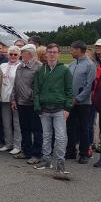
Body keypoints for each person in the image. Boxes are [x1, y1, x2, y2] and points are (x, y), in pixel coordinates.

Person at [32, 44, 73, 177]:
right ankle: (46, 160)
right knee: (46, 135)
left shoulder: (65, 70)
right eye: (49, 52)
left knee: (61, 137)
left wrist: (67, 107)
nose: (52, 54)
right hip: (44, 109)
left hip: (59, 109)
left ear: (59, 54)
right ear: (46, 54)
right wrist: (37, 106)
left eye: (54, 52)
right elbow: (36, 90)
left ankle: (60, 162)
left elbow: (69, 90)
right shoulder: (40, 71)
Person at [66, 40, 97, 163]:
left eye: (72, 49)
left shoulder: (90, 65)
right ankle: (71, 151)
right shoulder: (71, 65)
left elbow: (90, 86)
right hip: (70, 102)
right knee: (70, 128)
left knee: (84, 128)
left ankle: (84, 153)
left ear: (79, 50)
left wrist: (78, 99)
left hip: (83, 103)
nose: (70, 52)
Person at [11, 44, 43, 163]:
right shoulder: (20, 66)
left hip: (33, 103)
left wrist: (32, 97)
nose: (21, 54)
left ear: (29, 54)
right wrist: (13, 99)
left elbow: (40, 86)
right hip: (20, 103)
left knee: (36, 129)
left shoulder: (39, 67)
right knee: (24, 128)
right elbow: (16, 84)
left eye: (22, 52)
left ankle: (36, 154)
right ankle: (26, 151)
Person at [0, 46, 22, 155]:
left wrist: (15, 98)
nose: (13, 56)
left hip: (15, 98)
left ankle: (18, 145)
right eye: (11, 54)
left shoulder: (20, 66)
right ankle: (8, 143)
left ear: (19, 55)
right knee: (6, 122)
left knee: (17, 123)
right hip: (3, 97)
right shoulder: (3, 65)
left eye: (15, 54)